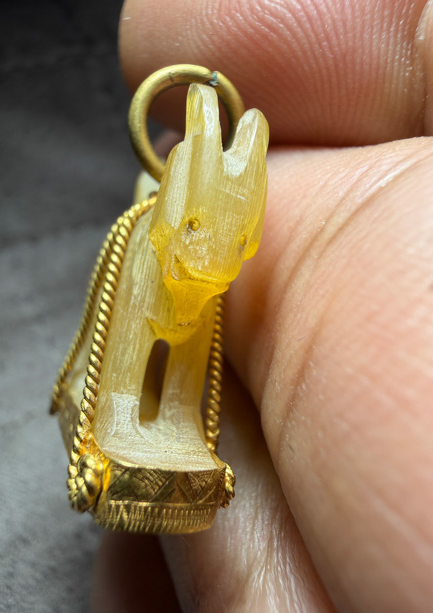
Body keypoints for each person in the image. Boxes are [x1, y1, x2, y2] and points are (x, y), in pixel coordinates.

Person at [92, 0, 433, 610]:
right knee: (132, 345)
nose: (214, 263)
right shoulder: (158, 239)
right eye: (197, 228)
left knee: (186, 377)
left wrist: (181, 424)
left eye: (236, 246)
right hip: (156, 262)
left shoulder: (219, 270)